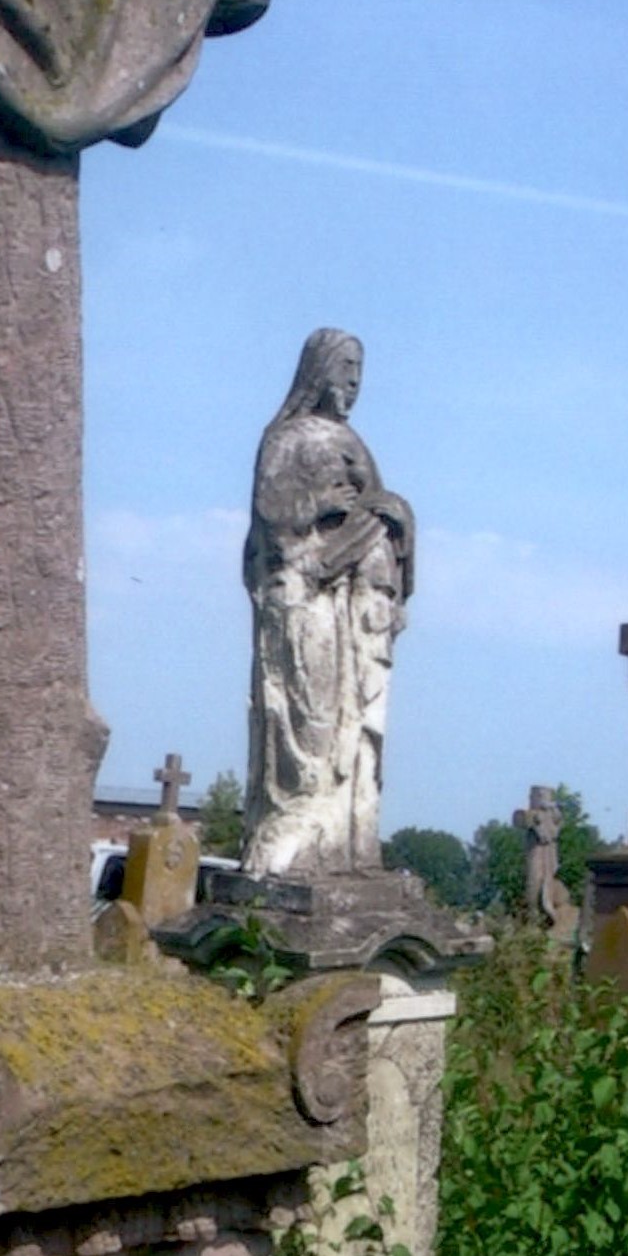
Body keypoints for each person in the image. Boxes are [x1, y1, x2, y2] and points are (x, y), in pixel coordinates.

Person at [243, 329, 413, 877]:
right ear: (318, 372)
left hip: (353, 607)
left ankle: (346, 844)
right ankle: (295, 840)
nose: (354, 381)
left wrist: (393, 516)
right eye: (345, 369)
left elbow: (377, 508)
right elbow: (271, 516)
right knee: (307, 721)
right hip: (302, 598)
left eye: (360, 370)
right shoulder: (286, 439)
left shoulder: (354, 442)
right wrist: (321, 503)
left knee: (351, 728)